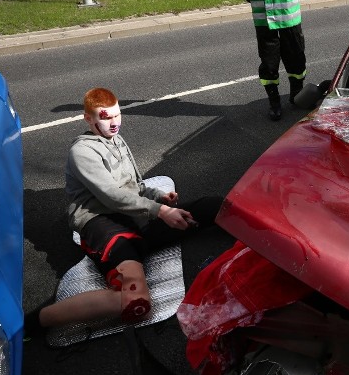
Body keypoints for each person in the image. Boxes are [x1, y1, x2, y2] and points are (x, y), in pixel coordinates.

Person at [24, 87, 222, 338]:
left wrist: (157, 196)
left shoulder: (117, 139)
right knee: (134, 300)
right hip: (101, 221)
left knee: (211, 205)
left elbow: (132, 186)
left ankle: (265, 235)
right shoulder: (82, 152)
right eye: (105, 117)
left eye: (117, 115)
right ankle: (31, 323)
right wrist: (160, 210)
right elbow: (109, 195)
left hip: (134, 216)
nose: (114, 122)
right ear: (88, 119)